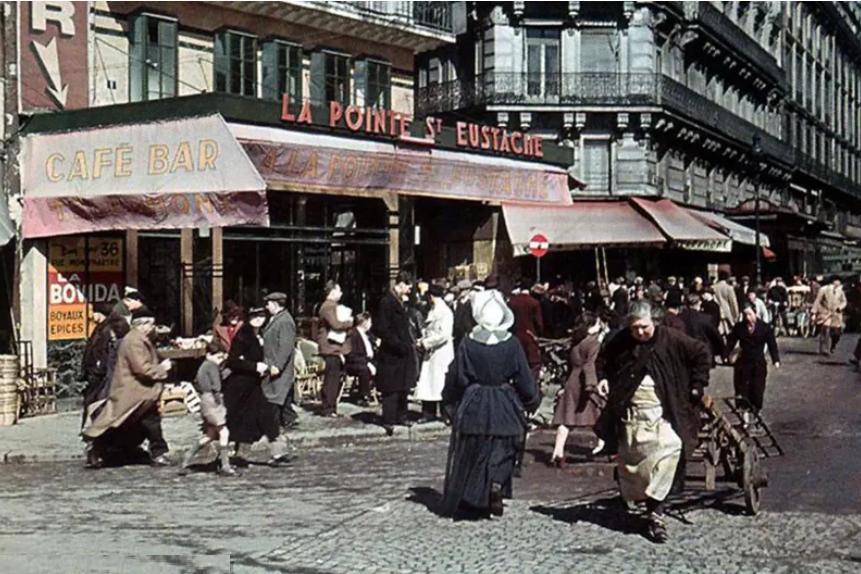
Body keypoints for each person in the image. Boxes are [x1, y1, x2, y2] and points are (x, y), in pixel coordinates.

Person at [595, 301, 711, 543]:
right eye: (635, 328)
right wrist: (603, 379)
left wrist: (697, 384)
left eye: (644, 327)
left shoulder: (672, 338)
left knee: (670, 449)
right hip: (632, 414)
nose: (639, 333)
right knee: (633, 463)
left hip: (663, 410)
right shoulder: (621, 340)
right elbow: (603, 359)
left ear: (654, 323)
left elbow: (701, 353)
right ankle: (647, 502)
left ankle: (656, 511)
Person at [441, 289, 540, 518]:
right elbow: (524, 377)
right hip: (505, 401)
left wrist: (449, 400)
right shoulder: (512, 344)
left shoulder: (468, 343)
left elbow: (458, 376)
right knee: (504, 448)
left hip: (475, 401)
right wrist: (531, 399)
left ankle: (476, 496)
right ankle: (496, 482)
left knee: (475, 450)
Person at [83, 306, 173, 468]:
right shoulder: (134, 341)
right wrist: (162, 369)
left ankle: (157, 452)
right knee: (123, 423)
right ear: (142, 324)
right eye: (151, 324)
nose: (153, 328)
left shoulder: (138, 339)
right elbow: (142, 368)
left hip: (139, 392)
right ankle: (97, 448)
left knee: (141, 422)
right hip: (134, 392)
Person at [223, 306, 291, 465]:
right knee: (241, 422)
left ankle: (277, 453)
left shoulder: (262, 333)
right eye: (254, 316)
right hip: (240, 387)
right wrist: (254, 367)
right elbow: (232, 361)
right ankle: (233, 456)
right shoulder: (243, 336)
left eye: (261, 315)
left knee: (265, 417)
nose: (258, 319)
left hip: (254, 385)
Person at [550, 312, 607, 465]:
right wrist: (591, 385)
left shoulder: (575, 342)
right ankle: (605, 446)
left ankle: (558, 451)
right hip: (585, 383)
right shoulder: (593, 343)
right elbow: (590, 365)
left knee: (566, 419)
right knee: (600, 415)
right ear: (591, 327)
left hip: (572, 381)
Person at [180, 341, 236, 476]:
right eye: (219, 357)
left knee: (210, 435)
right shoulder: (211, 366)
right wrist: (220, 402)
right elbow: (216, 386)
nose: (220, 360)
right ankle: (225, 465)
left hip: (204, 399)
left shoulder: (203, 366)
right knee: (224, 432)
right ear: (210, 355)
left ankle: (187, 457)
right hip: (213, 400)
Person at [375, 271, 418, 435]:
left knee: (403, 387)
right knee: (391, 388)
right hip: (392, 353)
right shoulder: (387, 302)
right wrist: (398, 345)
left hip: (402, 352)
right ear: (400, 284)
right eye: (407, 286)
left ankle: (402, 415)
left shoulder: (401, 302)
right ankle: (389, 419)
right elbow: (384, 329)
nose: (409, 290)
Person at [725, 305, 780, 417]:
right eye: (745, 314)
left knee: (757, 390)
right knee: (742, 390)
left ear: (756, 314)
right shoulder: (739, 327)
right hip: (743, 363)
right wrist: (726, 354)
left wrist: (776, 359)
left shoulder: (764, 328)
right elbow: (731, 341)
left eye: (750, 314)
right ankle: (744, 417)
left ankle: (756, 415)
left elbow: (772, 344)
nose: (747, 317)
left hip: (758, 363)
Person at [415, 283, 455, 423]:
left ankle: (447, 414)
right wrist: (423, 339)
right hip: (432, 353)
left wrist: (427, 343)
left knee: (441, 384)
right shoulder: (433, 310)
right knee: (429, 383)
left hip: (441, 353)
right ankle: (428, 413)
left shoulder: (445, 312)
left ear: (431, 296)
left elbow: (444, 334)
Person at [316, 281, 354, 417]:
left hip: (334, 346)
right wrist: (350, 322)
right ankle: (328, 408)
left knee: (334, 377)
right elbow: (336, 324)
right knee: (331, 378)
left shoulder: (331, 306)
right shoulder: (328, 307)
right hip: (330, 346)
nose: (341, 293)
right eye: (339, 290)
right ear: (332, 292)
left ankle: (331, 406)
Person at [262, 292, 298, 429]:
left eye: (268, 303)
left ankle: (280, 421)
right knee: (280, 394)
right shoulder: (276, 318)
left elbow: (286, 346)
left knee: (277, 394)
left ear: (276, 304)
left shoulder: (285, 321)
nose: (267, 306)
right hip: (271, 362)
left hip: (279, 365)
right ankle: (288, 419)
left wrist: (278, 365)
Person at [508, 280, 544, 383]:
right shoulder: (534, 303)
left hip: (515, 336)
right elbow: (539, 323)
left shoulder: (512, 302)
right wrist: (539, 335)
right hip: (530, 337)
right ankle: (531, 387)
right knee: (533, 364)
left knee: (517, 363)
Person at [680, 294, 725, 365]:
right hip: (702, 352)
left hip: (684, 352)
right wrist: (721, 351)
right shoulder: (705, 318)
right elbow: (715, 336)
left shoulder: (680, 318)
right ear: (699, 303)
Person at [345, 313, 377, 406]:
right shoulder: (353, 334)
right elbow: (351, 355)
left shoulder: (367, 335)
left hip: (367, 360)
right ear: (365, 322)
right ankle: (364, 396)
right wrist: (367, 363)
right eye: (370, 322)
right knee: (364, 370)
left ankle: (382, 391)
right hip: (355, 362)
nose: (371, 324)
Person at [812, 275, 847, 356]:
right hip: (825, 313)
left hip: (836, 315)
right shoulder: (823, 289)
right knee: (825, 330)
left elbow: (844, 301)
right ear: (833, 281)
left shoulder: (840, 291)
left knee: (836, 333)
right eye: (837, 281)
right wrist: (814, 313)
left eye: (839, 281)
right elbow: (817, 301)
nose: (838, 283)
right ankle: (825, 349)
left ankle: (833, 345)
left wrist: (840, 307)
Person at [452, 280, 477, 350]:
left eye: (462, 290)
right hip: (458, 335)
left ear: (468, 290)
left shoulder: (471, 302)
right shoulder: (457, 302)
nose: (460, 292)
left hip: (468, 333)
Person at [713, 271, 740, 335]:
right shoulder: (729, 288)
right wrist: (736, 316)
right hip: (727, 313)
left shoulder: (713, 287)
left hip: (716, 313)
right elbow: (733, 303)